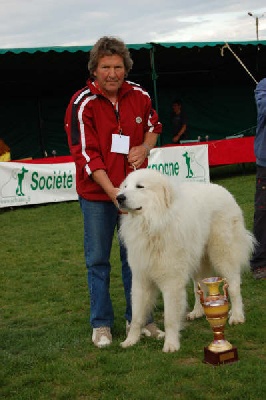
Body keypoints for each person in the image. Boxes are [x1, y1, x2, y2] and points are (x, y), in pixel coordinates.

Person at [64, 36, 163, 348]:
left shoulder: (139, 95)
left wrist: (145, 146)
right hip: (98, 196)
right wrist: (115, 195)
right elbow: (87, 156)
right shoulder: (83, 104)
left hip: (135, 196)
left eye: (118, 66)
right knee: (98, 260)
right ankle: (102, 324)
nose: (112, 73)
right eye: (105, 67)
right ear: (95, 69)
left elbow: (154, 126)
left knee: (137, 260)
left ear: (126, 68)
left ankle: (141, 319)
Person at [250, 78, 266, 280]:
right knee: (263, 213)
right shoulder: (263, 86)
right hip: (265, 162)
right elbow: (263, 108)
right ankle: (260, 262)